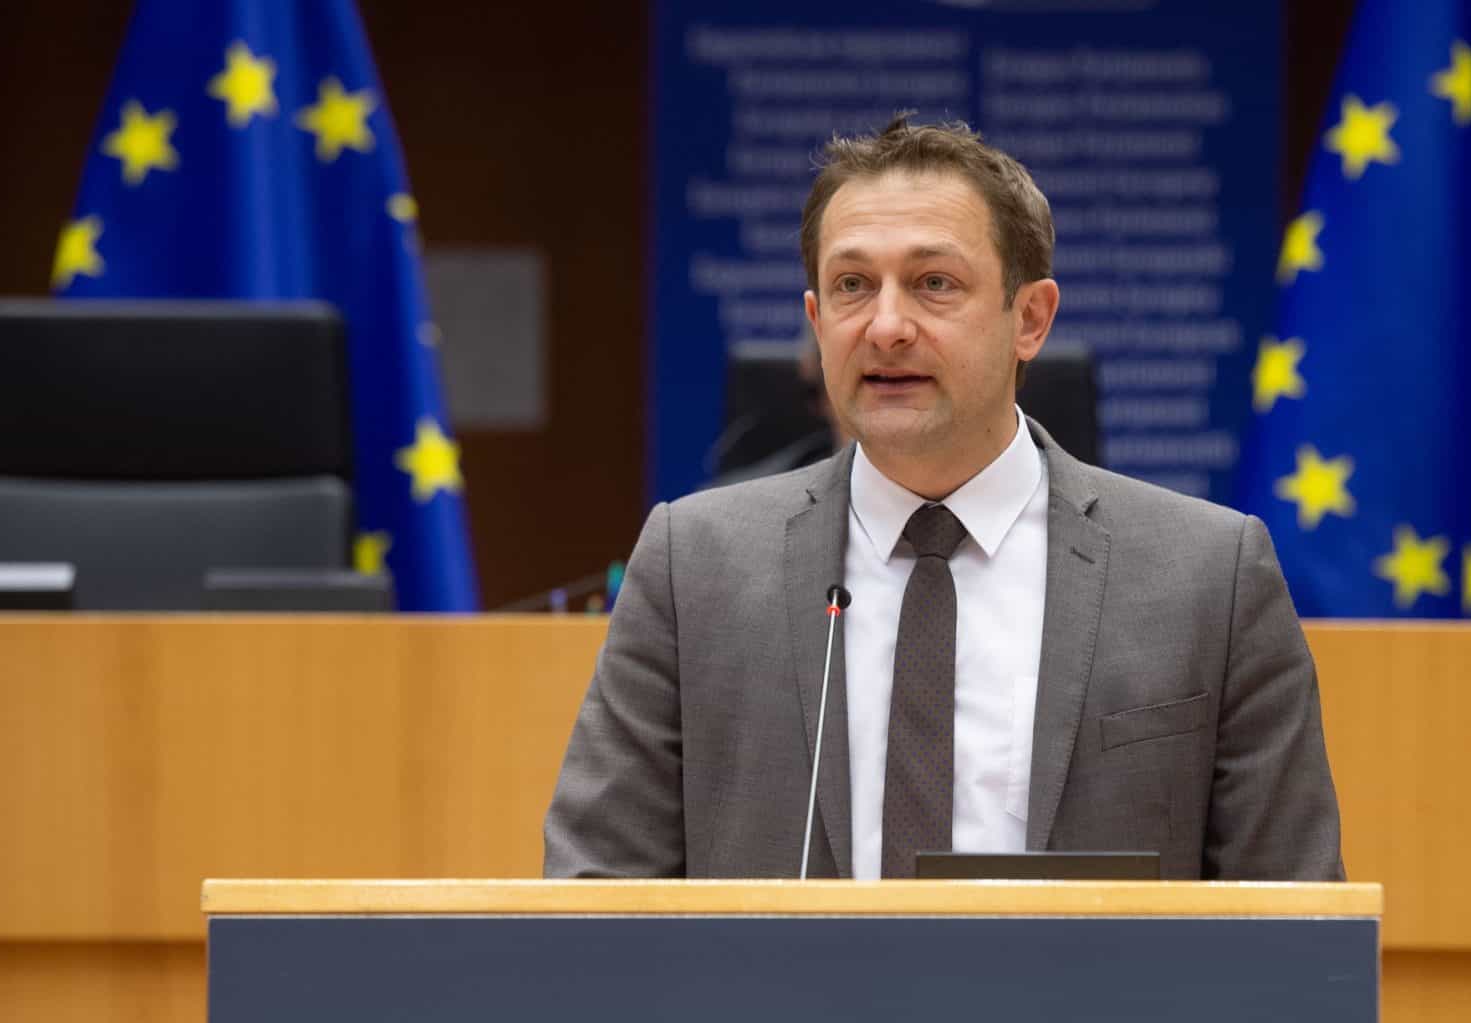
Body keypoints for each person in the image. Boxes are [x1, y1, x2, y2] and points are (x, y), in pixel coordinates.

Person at [545, 116, 1342, 880]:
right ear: (817, 323)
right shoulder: (696, 565)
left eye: (934, 283)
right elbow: (597, 889)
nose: (887, 326)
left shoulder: (1208, 575)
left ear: (1030, 319)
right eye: (853, 285)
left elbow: (1293, 919)